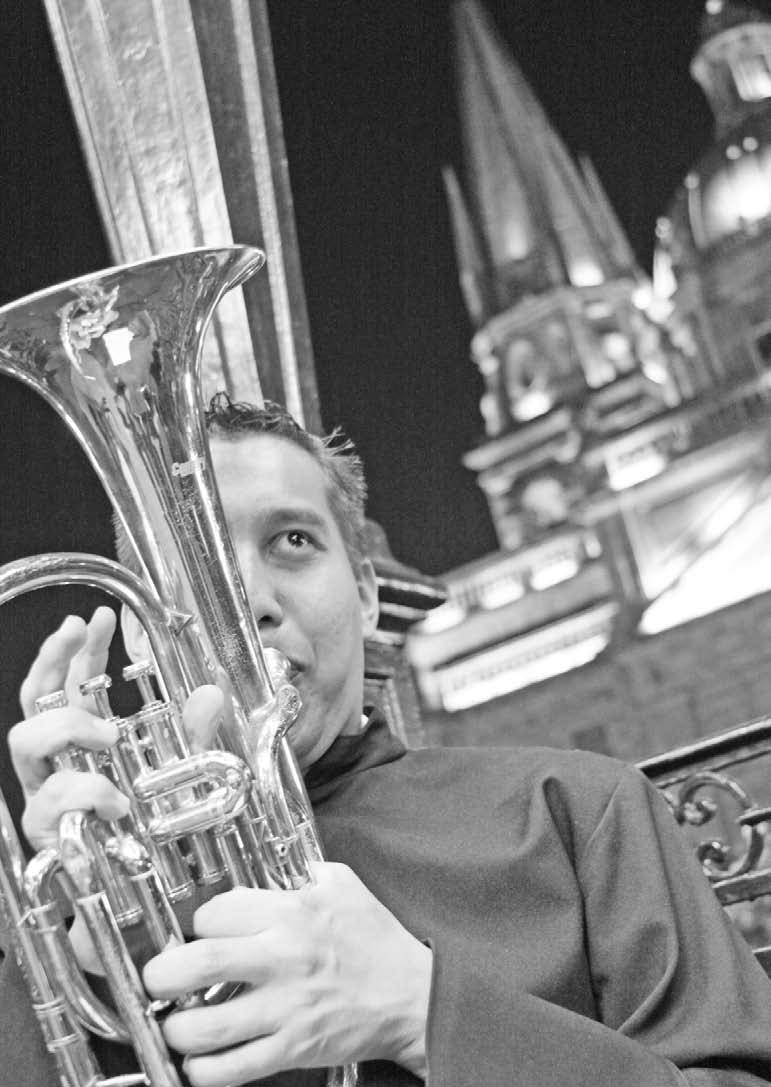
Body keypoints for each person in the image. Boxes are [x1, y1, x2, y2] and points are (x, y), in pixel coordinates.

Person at [2, 394, 771, 1087]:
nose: (248, 601)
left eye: (291, 539)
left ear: (366, 593)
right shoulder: (98, 917)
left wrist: (424, 1013)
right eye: (188, 561)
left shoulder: (578, 809)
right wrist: (69, 958)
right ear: (139, 629)